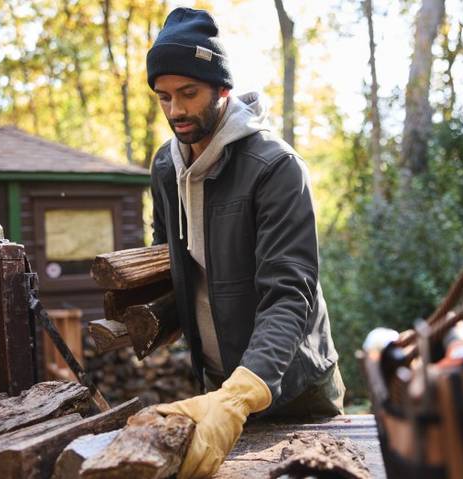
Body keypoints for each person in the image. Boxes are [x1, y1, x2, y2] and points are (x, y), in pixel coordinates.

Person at [146, 7, 345, 478]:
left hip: (297, 394)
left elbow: (288, 295)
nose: (175, 110)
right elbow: (170, 262)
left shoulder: (276, 168)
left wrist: (240, 396)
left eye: (189, 94)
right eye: (164, 97)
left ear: (223, 89)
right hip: (216, 389)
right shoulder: (163, 169)